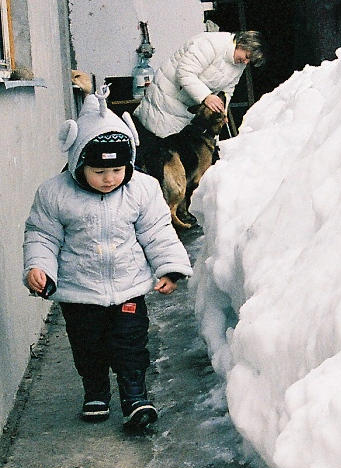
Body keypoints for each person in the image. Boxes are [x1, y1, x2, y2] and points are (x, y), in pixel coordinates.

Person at [22, 85, 193, 430]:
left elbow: (157, 231)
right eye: (98, 172)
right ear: (78, 164)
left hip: (128, 289)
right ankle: (95, 391)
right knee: (89, 348)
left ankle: (134, 395)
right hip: (80, 292)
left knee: (131, 345)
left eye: (116, 171)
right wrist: (38, 267)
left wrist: (169, 268)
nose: (109, 179)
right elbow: (42, 235)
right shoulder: (55, 194)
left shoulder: (142, 189)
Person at [133, 30, 266, 139]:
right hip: (166, 99)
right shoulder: (212, 43)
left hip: (187, 108)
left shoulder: (239, 64)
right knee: (157, 148)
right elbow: (185, 72)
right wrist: (206, 96)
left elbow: (227, 90)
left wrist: (221, 113)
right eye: (247, 56)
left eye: (250, 61)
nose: (246, 62)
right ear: (243, 44)